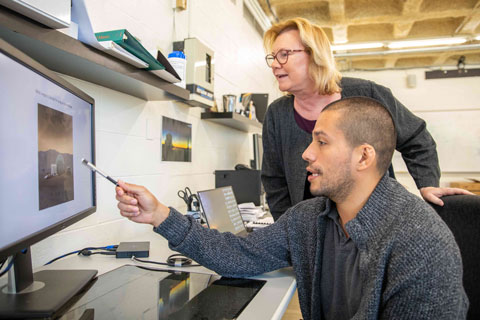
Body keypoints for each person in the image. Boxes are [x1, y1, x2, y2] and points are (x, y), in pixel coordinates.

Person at [116, 97, 468, 320]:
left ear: (363, 156)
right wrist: (161, 215)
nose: (306, 154)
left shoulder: (421, 241)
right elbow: (239, 255)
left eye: (322, 142)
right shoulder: (310, 218)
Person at [261, 17, 472, 220]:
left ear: (314, 54)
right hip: (312, 230)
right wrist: (287, 229)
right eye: (273, 57)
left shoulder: (367, 94)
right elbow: (274, 180)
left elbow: (416, 138)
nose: (275, 64)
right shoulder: (277, 114)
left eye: (284, 54)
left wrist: (427, 183)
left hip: (376, 220)